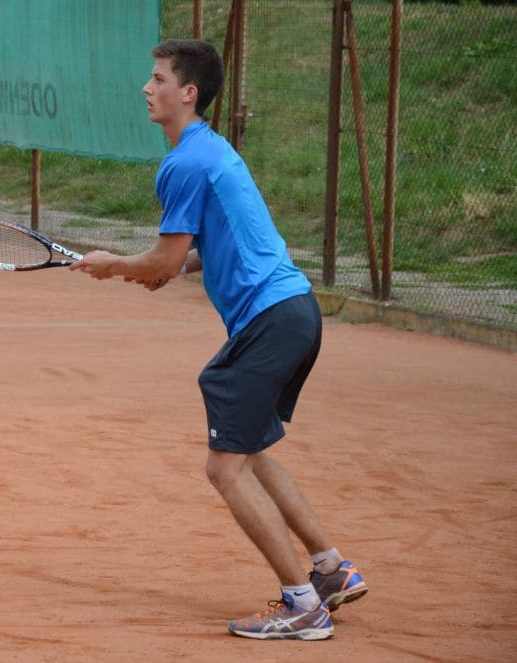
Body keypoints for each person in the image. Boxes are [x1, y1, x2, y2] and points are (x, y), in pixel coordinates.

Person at [70, 39, 367, 640]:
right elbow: (202, 252)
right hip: (294, 312)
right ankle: (330, 569)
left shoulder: (185, 161)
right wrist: (162, 268)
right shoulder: (213, 151)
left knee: (224, 469)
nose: (147, 88)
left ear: (189, 93)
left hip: (270, 321)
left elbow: (162, 257)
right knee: (249, 451)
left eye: (157, 79)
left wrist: (117, 264)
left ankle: (302, 605)